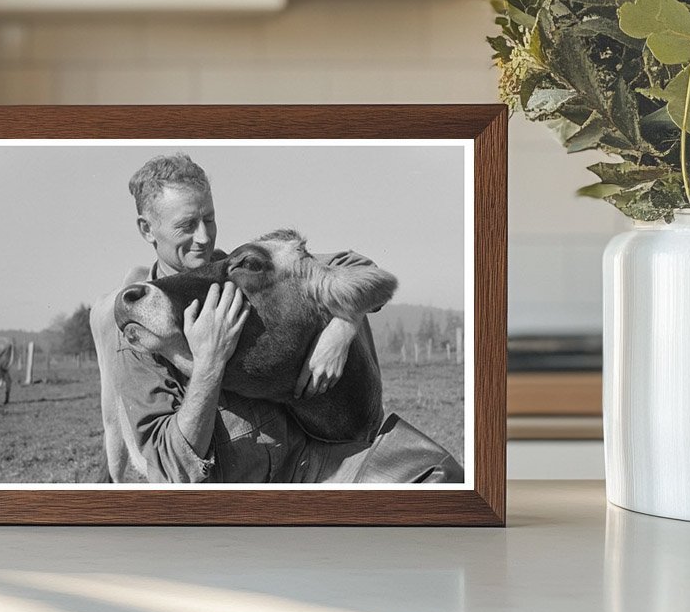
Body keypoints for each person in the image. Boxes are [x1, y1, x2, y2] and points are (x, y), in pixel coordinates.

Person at [89, 153, 462, 484]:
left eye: (209, 218)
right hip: (243, 500)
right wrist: (209, 364)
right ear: (147, 230)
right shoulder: (140, 329)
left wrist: (343, 324)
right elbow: (171, 473)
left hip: (314, 463)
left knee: (440, 475)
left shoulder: (237, 268)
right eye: (187, 226)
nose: (203, 237)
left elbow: (351, 269)